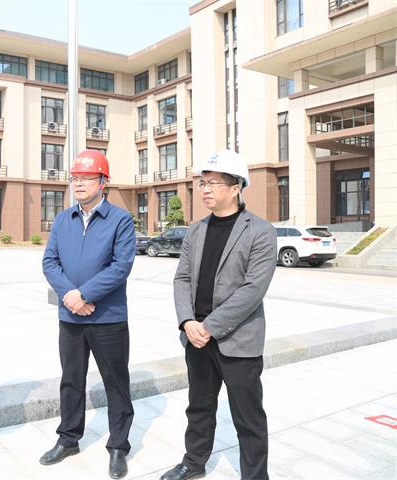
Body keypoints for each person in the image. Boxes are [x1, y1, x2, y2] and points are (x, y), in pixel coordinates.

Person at [161, 150, 277, 480]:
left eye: (213, 183)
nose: (206, 189)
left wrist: (209, 326)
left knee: (248, 417)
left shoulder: (260, 231)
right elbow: (182, 278)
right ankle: (193, 462)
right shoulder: (195, 230)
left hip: (237, 340)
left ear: (236, 187)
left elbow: (253, 289)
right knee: (198, 407)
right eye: (203, 183)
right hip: (196, 338)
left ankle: (255, 476)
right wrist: (187, 322)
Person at [41, 149, 136, 479]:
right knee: (71, 380)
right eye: (75, 178)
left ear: (103, 182)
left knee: (116, 383)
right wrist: (71, 296)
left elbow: (121, 266)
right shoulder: (63, 220)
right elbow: (49, 262)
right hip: (70, 318)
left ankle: (118, 446)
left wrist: (84, 295)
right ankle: (68, 439)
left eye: (86, 178)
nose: (78, 184)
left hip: (108, 319)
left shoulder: (120, 220)